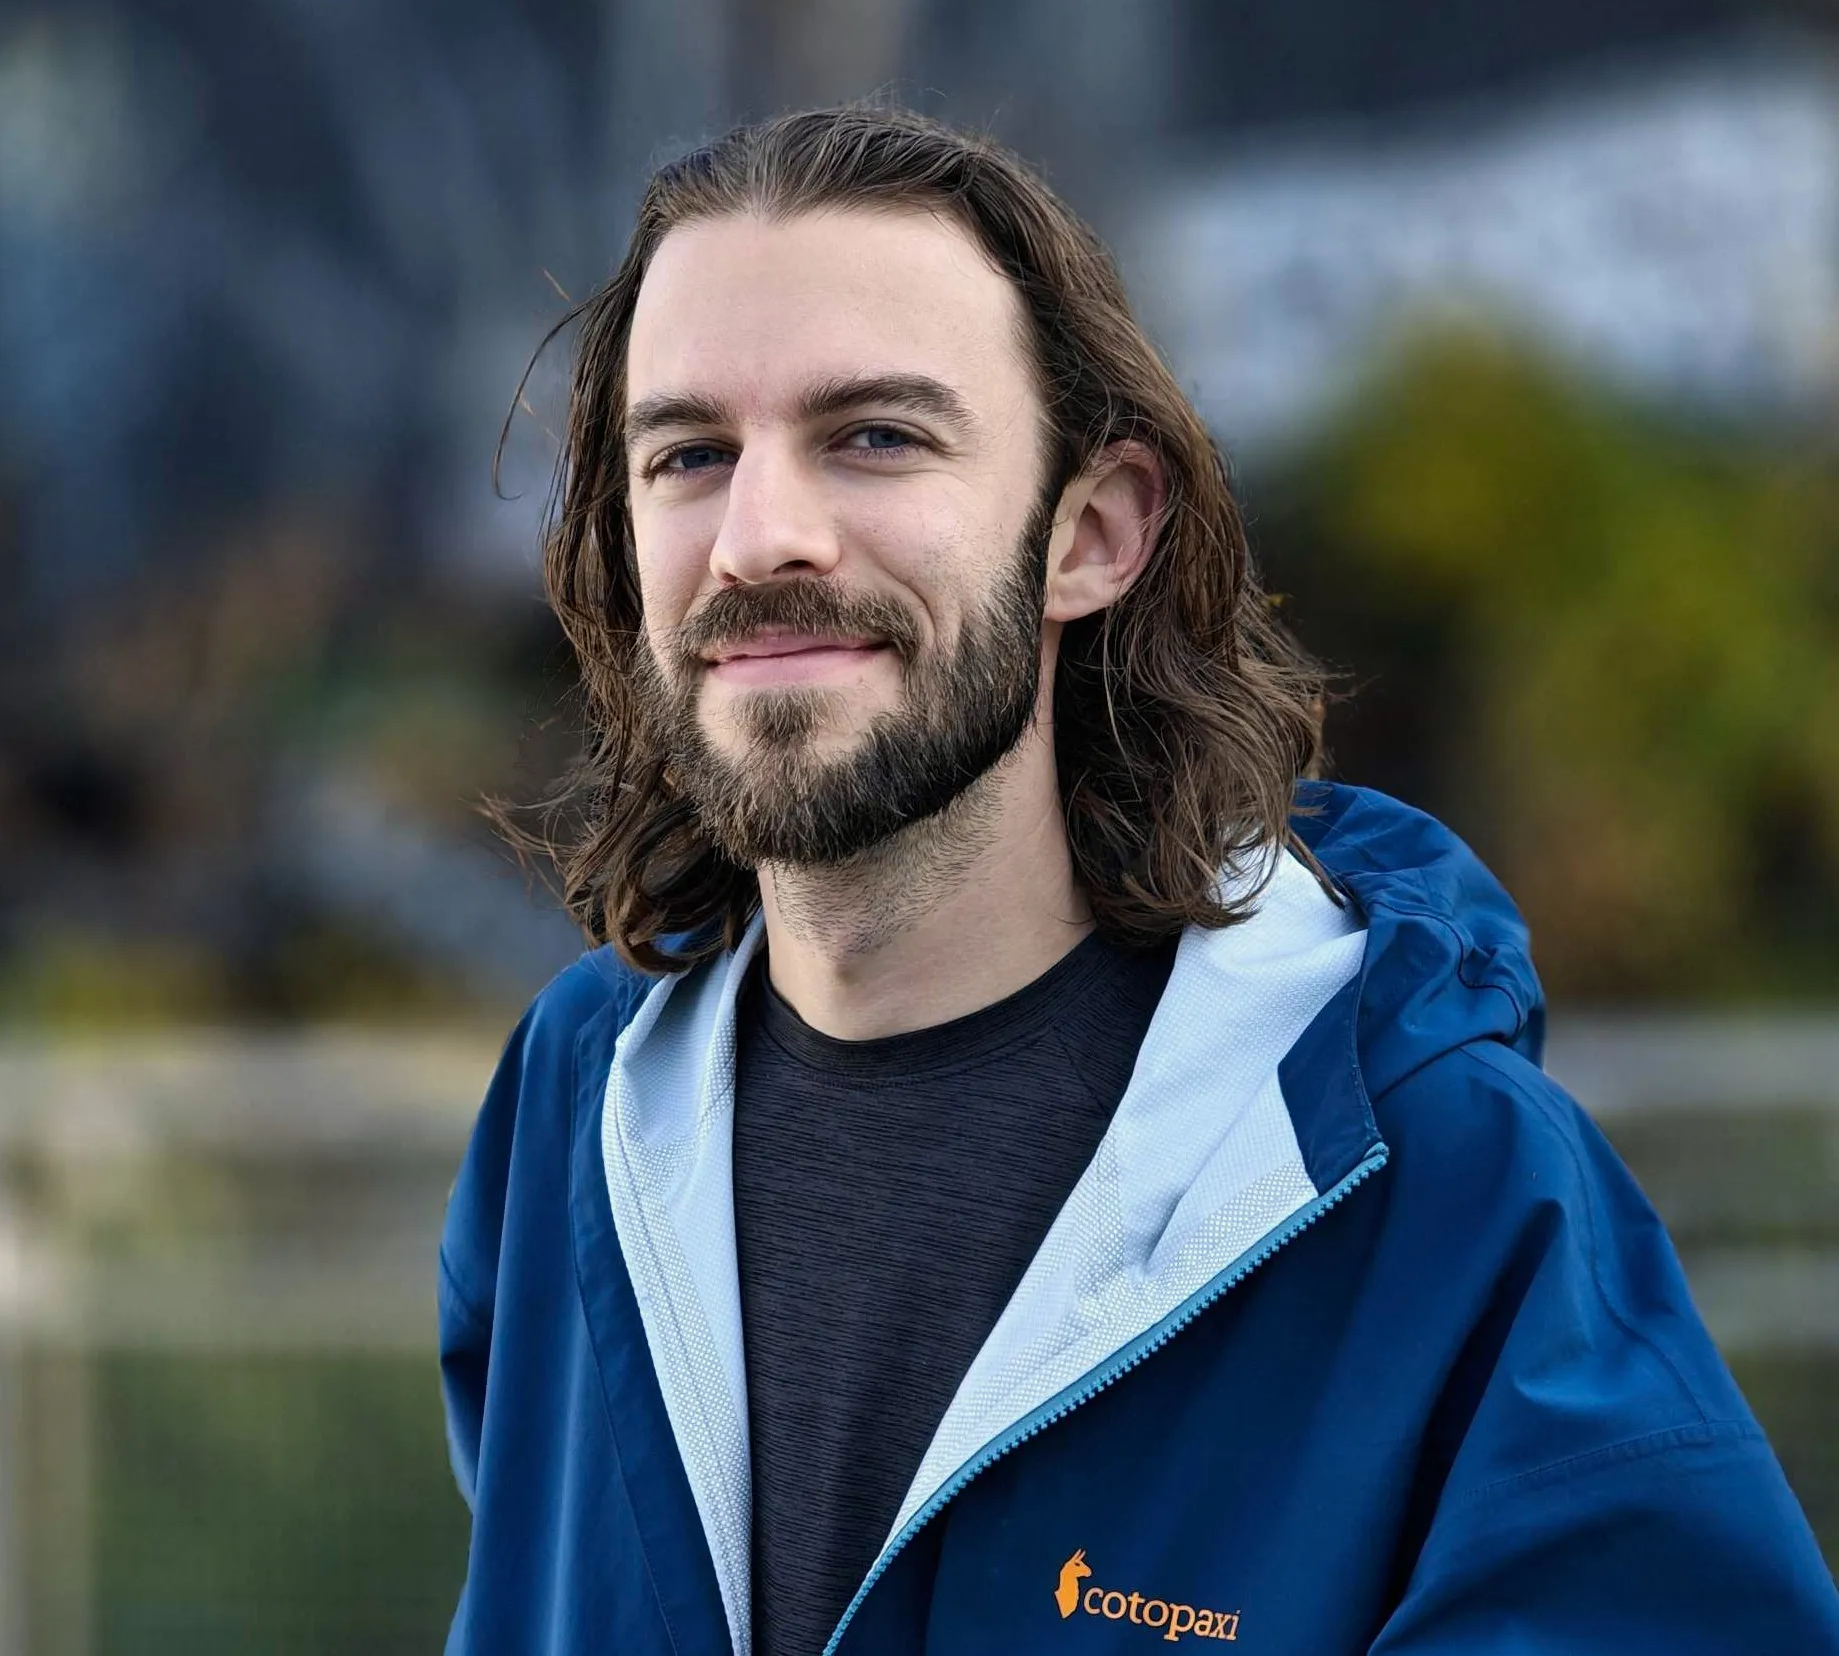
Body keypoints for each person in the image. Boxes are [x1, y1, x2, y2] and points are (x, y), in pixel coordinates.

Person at [439, 106, 1839, 1656]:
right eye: (690, 455)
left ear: (1091, 533)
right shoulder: (573, 1111)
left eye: (875, 436)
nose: (759, 536)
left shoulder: (1432, 1175)